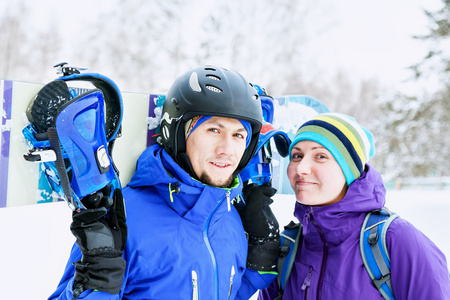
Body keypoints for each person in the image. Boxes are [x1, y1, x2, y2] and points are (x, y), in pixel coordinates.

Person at [49, 65, 279, 299]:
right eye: (213, 130)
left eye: (239, 135)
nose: (227, 150)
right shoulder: (121, 218)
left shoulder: (230, 218)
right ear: (177, 134)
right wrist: (97, 283)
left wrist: (259, 260)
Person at [258, 113, 450, 299]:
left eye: (321, 156)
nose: (301, 168)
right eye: (297, 156)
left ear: (349, 169)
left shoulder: (396, 240)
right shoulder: (287, 248)